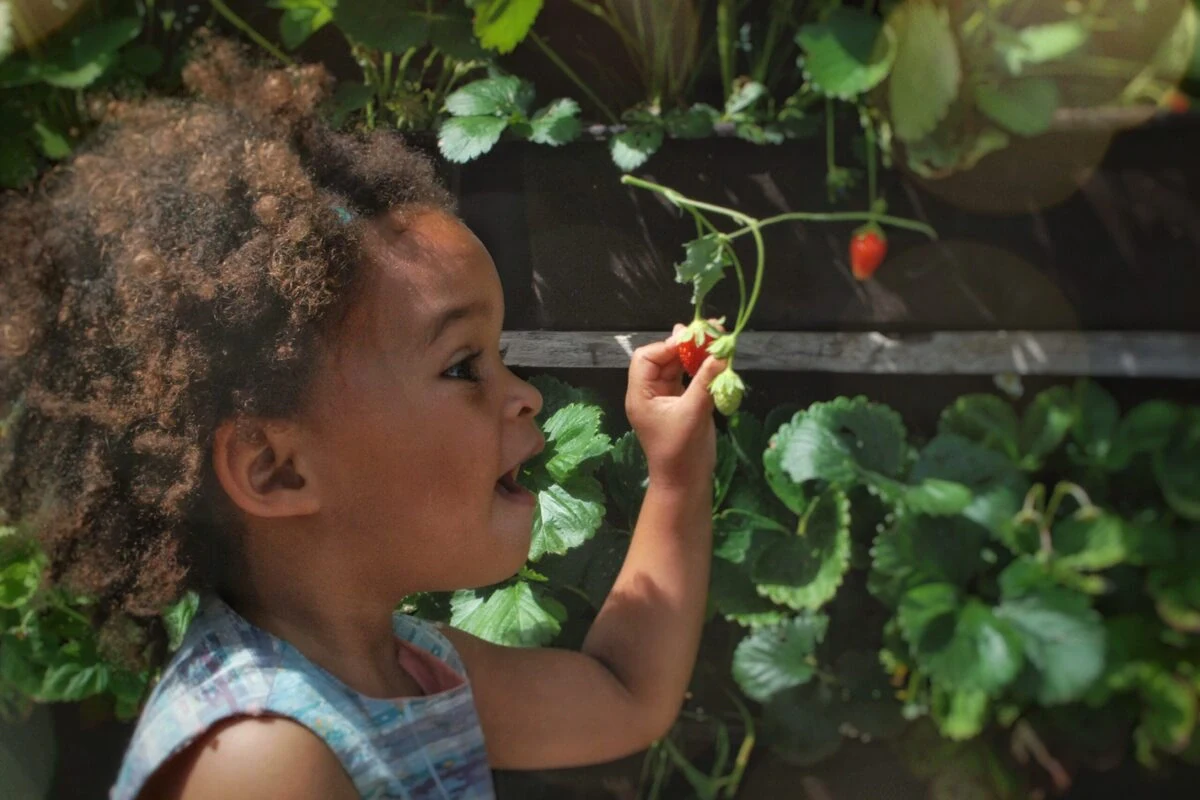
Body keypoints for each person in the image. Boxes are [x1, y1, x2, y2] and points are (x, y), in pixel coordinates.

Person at [0, 35, 727, 800]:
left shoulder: (410, 666)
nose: (526, 395)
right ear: (276, 469)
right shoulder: (262, 759)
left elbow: (622, 694)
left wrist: (677, 471)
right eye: (461, 366)